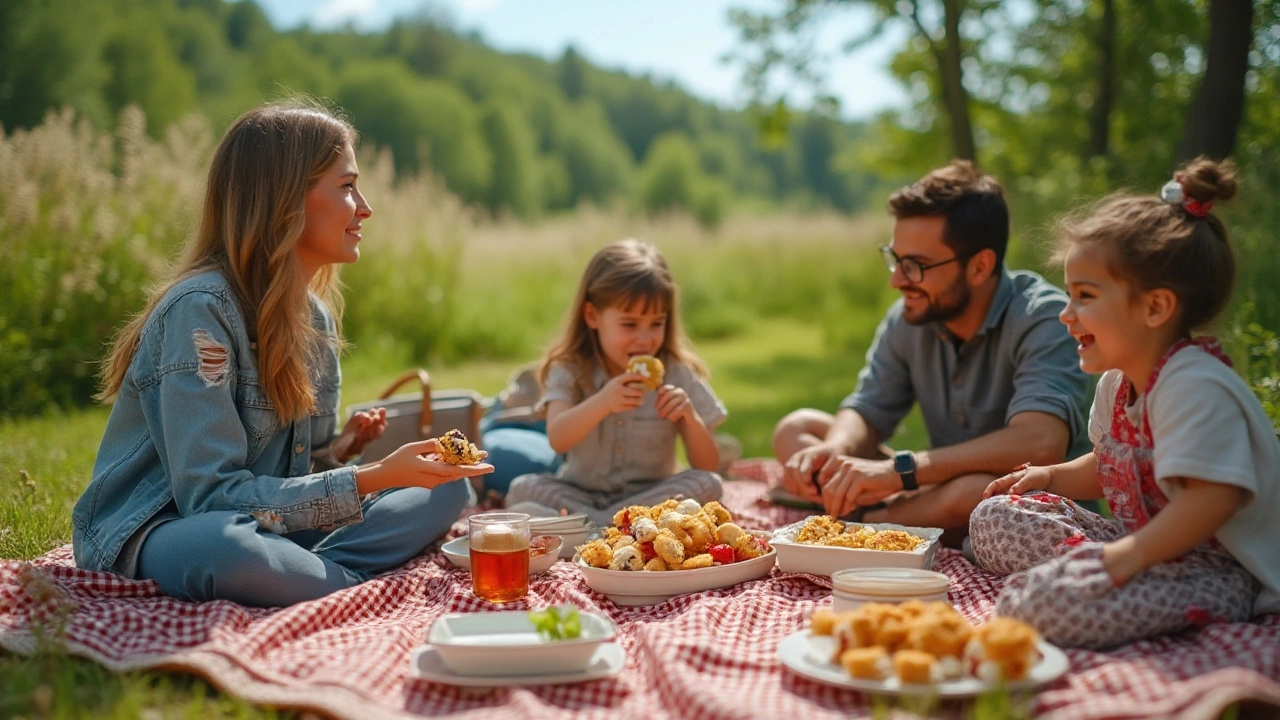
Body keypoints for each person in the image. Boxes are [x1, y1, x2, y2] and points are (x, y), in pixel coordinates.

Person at [72, 100, 492, 608]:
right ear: (285, 201)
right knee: (230, 549)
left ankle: (313, 578)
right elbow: (210, 499)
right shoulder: (199, 314)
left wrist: (340, 451)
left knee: (448, 490)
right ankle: (343, 583)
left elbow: (297, 476)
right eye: (346, 186)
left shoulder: (315, 319)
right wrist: (372, 478)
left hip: (272, 528)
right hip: (166, 528)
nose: (365, 207)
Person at [968, 158, 1280, 649]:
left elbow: (1213, 499)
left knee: (1033, 608)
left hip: (1224, 572)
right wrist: (1050, 478)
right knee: (994, 517)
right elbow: (1110, 464)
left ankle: (1082, 591)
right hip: (1149, 553)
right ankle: (1089, 580)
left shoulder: (1195, 386)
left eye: (1085, 297)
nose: (1067, 315)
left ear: (1155, 307)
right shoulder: (1119, 381)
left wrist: (1122, 560)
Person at [773, 161, 1090, 539]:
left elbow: (1041, 442)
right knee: (797, 430)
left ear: (979, 266)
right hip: (935, 488)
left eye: (915, 266)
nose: (895, 280)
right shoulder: (912, 316)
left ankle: (865, 525)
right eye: (894, 259)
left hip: (1021, 506)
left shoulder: (1044, 316)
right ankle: (891, 512)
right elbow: (868, 407)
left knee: (973, 491)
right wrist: (837, 448)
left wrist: (899, 472)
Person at [503, 239, 727, 527]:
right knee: (522, 488)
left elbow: (707, 465)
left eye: (656, 324)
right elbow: (558, 438)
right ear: (592, 316)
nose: (645, 339)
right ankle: (618, 527)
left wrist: (691, 419)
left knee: (709, 483)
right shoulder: (571, 368)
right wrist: (602, 402)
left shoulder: (676, 372)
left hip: (652, 498)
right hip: (581, 494)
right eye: (630, 325)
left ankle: (592, 528)